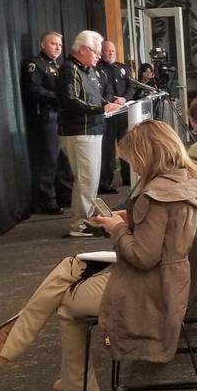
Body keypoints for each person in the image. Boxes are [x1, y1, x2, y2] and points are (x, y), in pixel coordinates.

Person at [0, 120, 197, 391]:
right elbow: (167, 231)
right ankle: (10, 343)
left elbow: (143, 257)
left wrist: (116, 228)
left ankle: (65, 377)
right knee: (70, 267)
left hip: (150, 289)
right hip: (175, 279)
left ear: (147, 155)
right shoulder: (190, 182)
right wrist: (130, 217)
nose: (133, 166)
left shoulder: (156, 195)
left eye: (134, 159)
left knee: (65, 304)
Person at [57, 30, 123, 238]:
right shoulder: (69, 69)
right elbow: (70, 100)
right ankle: (79, 224)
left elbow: (95, 98)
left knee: (91, 179)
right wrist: (101, 109)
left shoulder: (88, 70)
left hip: (93, 129)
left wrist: (108, 104)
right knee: (86, 179)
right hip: (79, 131)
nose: (98, 55)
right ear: (83, 50)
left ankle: (87, 218)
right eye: (95, 51)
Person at [23, 31, 65, 215]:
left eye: (60, 45)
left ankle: (65, 194)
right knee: (49, 160)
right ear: (42, 45)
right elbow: (33, 90)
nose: (57, 47)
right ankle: (48, 200)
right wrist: (57, 97)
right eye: (53, 43)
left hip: (62, 116)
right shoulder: (36, 64)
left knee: (64, 159)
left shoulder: (59, 66)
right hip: (47, 116)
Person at [96, 40, 133, 194]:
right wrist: (113, 100)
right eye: (108, 50)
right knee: (108, 151)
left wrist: (124, 99)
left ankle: (129, 177)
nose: (111, 53)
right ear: (101, 52)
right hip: (108, 115)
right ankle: (105, 183)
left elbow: (132, 86)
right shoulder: (97, 69)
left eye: (113, 50)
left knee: (127, 146)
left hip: (123, 113)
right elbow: (101, 90)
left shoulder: (122, 67)